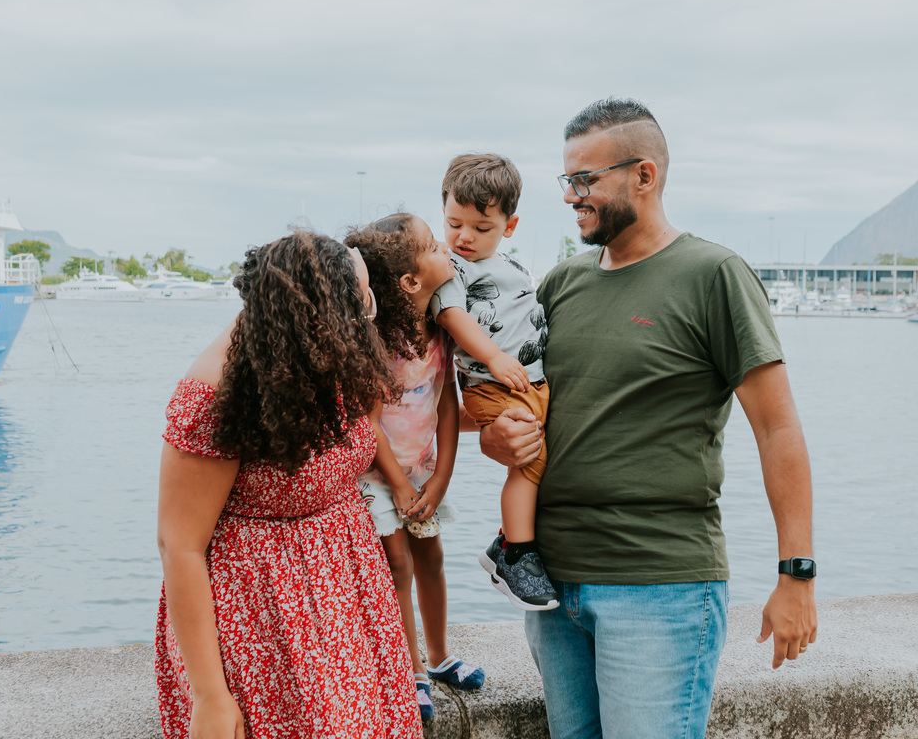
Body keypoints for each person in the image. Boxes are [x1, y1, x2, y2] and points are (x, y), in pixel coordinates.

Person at [479, 98, 818, 739]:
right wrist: (493, 436)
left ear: (645, 175)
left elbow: (778, 430)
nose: (572, 196)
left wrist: (795, 573)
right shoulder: (560, 284)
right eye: (567, 180)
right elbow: (509, 402)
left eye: (586, 180)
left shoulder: (714, 275)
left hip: (659, 588)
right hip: (551, 589)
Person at [154, 232, 422, 739]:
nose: (369, 319)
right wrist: (210, 696)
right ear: (320, 315)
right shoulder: (216, 392)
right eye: (361, 306)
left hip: (347, 595)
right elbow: (180, 545)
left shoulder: (321, 360)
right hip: (264, 616)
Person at [345, 213, 487, 721]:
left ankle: (439, 653)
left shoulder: (440, 331)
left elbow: (448, 405)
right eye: (433, 244)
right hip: (378, 476)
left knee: (431, 559)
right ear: (409, 280)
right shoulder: (377, 345)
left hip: (423, 471)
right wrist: (400, 484)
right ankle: (411, 671)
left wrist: (441, 475)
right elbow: (370, 425)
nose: (445, 246)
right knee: (398, 567)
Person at [425, 153, 556, 612]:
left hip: (529, 380)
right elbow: (452, 315)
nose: (464, 237)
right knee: (527, 458)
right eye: (454, 223)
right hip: (489, 382)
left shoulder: (512, 268)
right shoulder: (448, 268)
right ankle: (515, 555)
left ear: (509, 225)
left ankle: (508, 542)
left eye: (481, 228)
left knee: (544, 456)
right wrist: (494, 357)